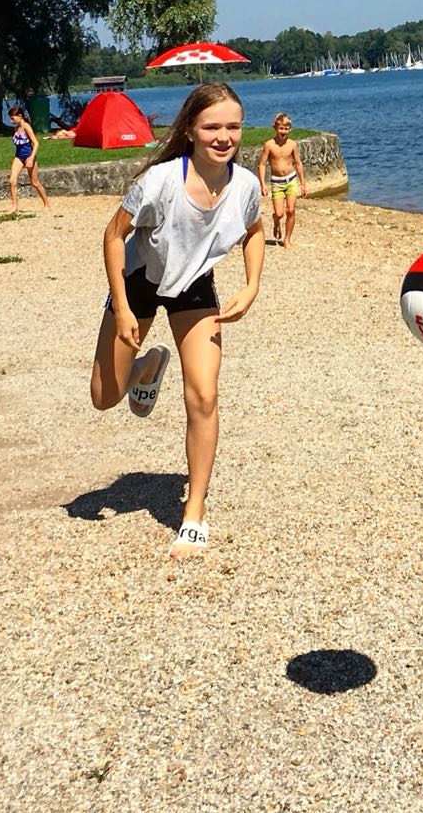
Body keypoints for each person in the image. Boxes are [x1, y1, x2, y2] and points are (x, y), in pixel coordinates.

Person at [88, 82, 265, 557]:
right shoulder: (160, 182)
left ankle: (194, 513)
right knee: (104, 397)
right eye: (212, 127)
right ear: (190, 129)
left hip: (194, 286)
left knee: (204, 395)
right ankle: (144, 368)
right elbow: (111, 237)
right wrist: (123, 307)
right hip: (141, 279)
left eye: (233, 126)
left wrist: (250, 286)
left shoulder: (246, 184)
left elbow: (254, 231)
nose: (224, 136)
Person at [257, 112, 306, 247]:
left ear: (290, 129)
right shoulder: (269, 145)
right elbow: (261, 164)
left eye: (286, 129)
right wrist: (262, 184)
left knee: (291, 210)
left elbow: (298, 163)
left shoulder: (292, 145)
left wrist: (302, 184)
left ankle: (287, 239)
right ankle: (276, 220)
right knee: (279, 213)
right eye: (280, 128)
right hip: (277, 182)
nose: (283, 131)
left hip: (291, 180)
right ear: (275, 128)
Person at [6, 105, 51, 212]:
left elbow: (35, 143)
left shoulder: (27, 127)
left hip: (29, 156)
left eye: (13, 118)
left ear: (20, 116)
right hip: (18, 157)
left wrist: (31, 158)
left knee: (34, 182)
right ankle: (14, 206)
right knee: (12, 180)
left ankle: (47, 204)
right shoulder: (16, 128)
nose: (11, 120)